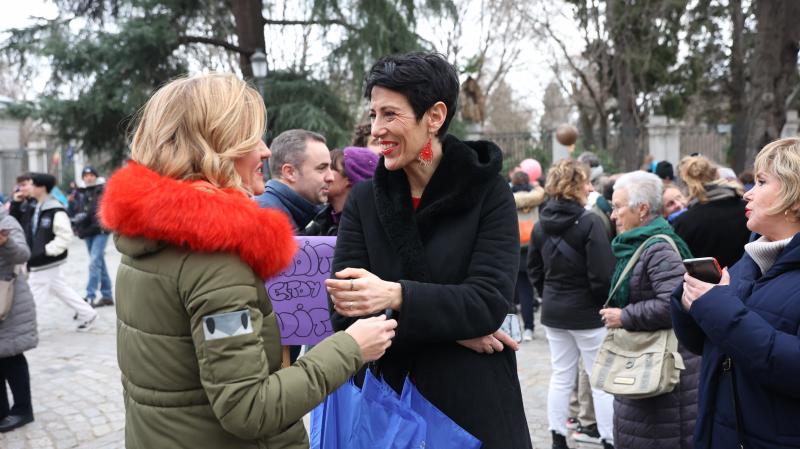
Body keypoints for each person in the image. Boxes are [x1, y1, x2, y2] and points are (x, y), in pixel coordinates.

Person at [98, 73, 396, 449]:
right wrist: (351, 347)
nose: (266, 151)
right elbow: (249, 408)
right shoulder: (214, 258)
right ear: (217, 145)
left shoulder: (149, 238)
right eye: (251, 137)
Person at [326, 52, 532, 449]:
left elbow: (489, 303)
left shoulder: (489, 194)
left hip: (473, 404)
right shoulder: (365, 201)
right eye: (374, 115)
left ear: (434, 117)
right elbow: (345, 314)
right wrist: (455, 329)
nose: (377, 130)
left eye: (390, 114)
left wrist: (395, 296)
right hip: (388, 406)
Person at [672, 137, 800, 448]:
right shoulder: (750, 259)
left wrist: (718, 307)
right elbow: (708, 345)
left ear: (795, 197)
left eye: (761, 181)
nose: (747, 194)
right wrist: (687, 301)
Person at [599, 171, 699, 449]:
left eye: (618, 207)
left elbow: (674, 302)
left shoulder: (658, 249)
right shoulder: (639, 244)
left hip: (663, 370)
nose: (613, 215)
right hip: (648, 364)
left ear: (642, 209)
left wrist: (625, 316)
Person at [528, 158, 615, 449]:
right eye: (586, 182)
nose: (590, 187)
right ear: (576, 186)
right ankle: (608, 438)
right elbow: (601, 275)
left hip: (554, 311)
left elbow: (534, 271)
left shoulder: (541, 225)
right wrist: (601, 302)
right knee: (599, 380)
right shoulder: (589, 221)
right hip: (587, 312)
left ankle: (556, 437)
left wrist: (549, 294)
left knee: (561, 375)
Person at [14, 173, 97, 331]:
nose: (27, 187)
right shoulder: (36, 206)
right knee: (61, 289)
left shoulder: (55, 209)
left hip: (45, 260)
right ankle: (88, 313)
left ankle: (26, 328)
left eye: (31, 184)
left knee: (33, 295)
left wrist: (46, 251)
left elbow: (65, 236)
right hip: (40, 259)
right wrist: (16, 203)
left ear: (41, 188)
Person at [673, 155, 750, 268]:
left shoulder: (685, 221)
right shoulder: (747, 209)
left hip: (702, 284)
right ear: (716, 175)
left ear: (687, 184)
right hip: (746, 280)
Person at [0, 209, 37, 433]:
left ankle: (24, 410)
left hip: (8, 298)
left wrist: (5, 242)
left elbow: (23, 255)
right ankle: (2, 410)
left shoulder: (6, 221)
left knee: (11, 355)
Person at [255, 129, 334, 232]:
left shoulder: (291, 212)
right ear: (290, 173)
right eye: (321, 168)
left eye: (330, 168)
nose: (331, 177)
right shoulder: (266, 216)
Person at [303, 146, 379, 236]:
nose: (325, 176)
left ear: (351, 178)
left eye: (330, 168)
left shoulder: (367, 229)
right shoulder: (321, 221)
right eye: (323, 168)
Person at [70, 166, 113, 307]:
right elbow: (76, 211)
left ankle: (90, 295)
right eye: (86, 175)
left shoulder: (103, 189)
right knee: (99, 262)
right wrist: (78, 228)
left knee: (94, 262)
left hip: (100, 230)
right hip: (87, 231)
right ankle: (107, 296)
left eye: (91, 175)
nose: (89, 177)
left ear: (96, 176)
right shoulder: (79, 192)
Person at [512, 170, 545, 341]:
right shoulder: (538, 197)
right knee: (544, 286)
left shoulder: (507, 198)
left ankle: (528, 329)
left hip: (518, 249)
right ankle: (549, 323)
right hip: (536, 245)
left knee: (524, 290)